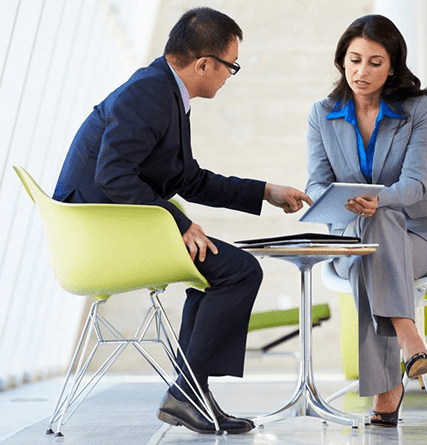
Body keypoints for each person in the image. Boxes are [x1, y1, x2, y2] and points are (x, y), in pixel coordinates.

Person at [53, 7, 312, 435]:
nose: (230, 76)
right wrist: (177, 223)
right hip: (100, 235)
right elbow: (112, 175)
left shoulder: (163, 92)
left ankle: (191, 391)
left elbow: (187, 179)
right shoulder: (150, 94)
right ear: (204, 63)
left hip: (114, 226)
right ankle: (188, 391)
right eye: (231, 66)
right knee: (238, 270)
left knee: (217, 271)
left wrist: (265, 191)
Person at [305, 15, 427, 427]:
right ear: (342, 61)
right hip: (352, 241)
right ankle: (409, 341)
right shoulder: (323, 114)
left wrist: (376, 201)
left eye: (375, 62)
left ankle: (387, 392)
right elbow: (316, 185)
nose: (362, 71)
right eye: (354, 59)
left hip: (423, 239)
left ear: (392, 66)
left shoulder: (415, 109)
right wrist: (342, 201)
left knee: (381, 224)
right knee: (370, 245)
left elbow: (414, 185)